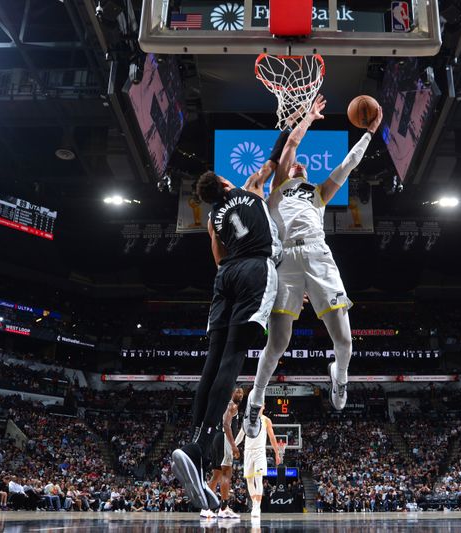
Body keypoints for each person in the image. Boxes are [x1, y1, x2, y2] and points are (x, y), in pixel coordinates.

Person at [244, 94, 383, 438]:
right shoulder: (278, 186)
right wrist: (309, 116)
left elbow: (349, 164)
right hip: (285, 260)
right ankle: (256, 398)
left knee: (345, 340)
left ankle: (340, 377)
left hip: (319, 256)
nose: (298, 165)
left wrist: (368, 134)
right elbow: (291, 142)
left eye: (302, 165)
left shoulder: (319, 193)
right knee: (277, 343)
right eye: (294, 165)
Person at [171, 128, 287, 511]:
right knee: (235, 358)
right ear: (224, 182)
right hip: (255, 269)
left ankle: (195, 449)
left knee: (213, 361)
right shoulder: (251, 187)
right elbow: (273, 160)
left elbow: (219, 259)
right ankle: (200, 445)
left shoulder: (212, 220)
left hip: (226, 278)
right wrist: (288, 127)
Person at [200, 387, 243, 520]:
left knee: (216, 474)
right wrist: (234, 445)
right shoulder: (232, 405)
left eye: (241, 393)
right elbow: (226, 424)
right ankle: (223, 508)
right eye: (237, 392)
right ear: (231, 393)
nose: (240, 394)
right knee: (226, 473)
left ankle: (205, 507)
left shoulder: (223, 404)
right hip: (224, 439)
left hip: (216, 438)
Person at [234, 405, 282, 519]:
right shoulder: (247, 419)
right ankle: (255, 503)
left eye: (260, 405)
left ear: (263, 407)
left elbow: (272, 437)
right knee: (249, 480)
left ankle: (257, 506)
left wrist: (277, 453)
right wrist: (233, 446)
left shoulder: (266, 420)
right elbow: (241, 435)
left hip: (260, 452)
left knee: (258, 478)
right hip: (248, 452)